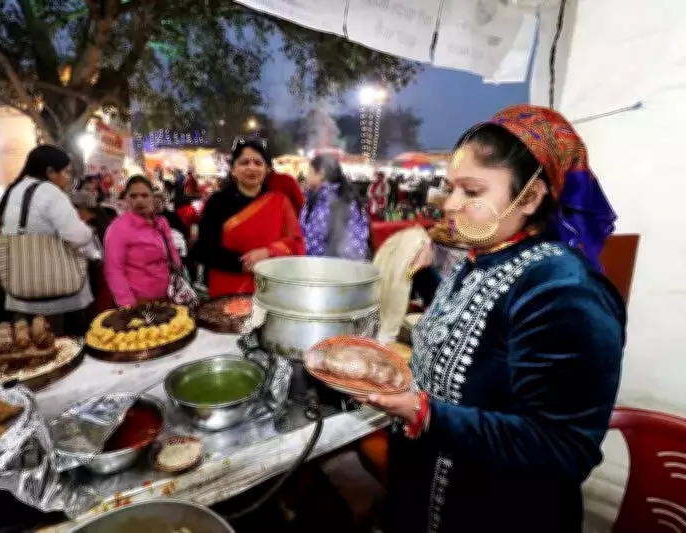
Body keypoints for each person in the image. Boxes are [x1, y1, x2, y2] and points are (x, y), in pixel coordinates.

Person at [360, 105, 624, 533]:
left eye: (472, 192)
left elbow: (563, 447)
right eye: (451, 189)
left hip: (496, 512)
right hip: (424, 492)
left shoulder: (562, 288)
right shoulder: (485, 255)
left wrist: (425, 414)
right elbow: (476, 330)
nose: (450, 205)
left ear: (532, 197)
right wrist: (423, 276)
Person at [0, 145, 102, 336]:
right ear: (50, 171)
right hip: (57, 296)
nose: (68, 178)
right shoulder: (50, 193)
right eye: (66, 172)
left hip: (21, 292)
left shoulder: (14, 190)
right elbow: (76, 236)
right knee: (65, 347)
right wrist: (88, 230)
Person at [193, 139, 305, 297]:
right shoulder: (217, 203)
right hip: (228, 289)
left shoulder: (280, 202)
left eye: (258, 163)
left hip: (271, 288)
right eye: (244, 162)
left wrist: (269, 252)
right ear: (233, 170)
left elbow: (296, 244)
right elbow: (204, 249)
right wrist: (244, 263)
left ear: (267, 170)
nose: (251, 168)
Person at [103, 175, 181, 307]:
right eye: (133, 196)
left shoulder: (161, 222)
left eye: (145, 195)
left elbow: (173, 256)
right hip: (138, 301)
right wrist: (128, 304)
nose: (139, 200)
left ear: (152, 197)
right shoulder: (118, 228)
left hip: (167, 296)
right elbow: (114, 270)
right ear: (126, 198)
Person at [300, 154, 370, 260]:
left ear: (321, 173)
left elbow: (308, 241)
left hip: (327, 272)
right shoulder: (350, 199)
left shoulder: (326, 202)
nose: (306, 176)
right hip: (344, 271)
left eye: (309, 172)